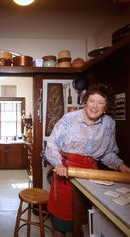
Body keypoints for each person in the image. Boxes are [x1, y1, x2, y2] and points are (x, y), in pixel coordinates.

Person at [44, 83, 130, 237]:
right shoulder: (69, 119)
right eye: (92, 100)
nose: (95, 106)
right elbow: (51, 144)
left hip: (91, 176)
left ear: (106, 106)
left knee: (87, 220)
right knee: (61, 221)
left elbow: (107, 152)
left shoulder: (109, 124)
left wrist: (121, 165)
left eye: (100, 102)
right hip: (66, 171)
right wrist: (58, 164)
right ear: (85, 101)